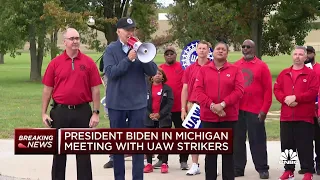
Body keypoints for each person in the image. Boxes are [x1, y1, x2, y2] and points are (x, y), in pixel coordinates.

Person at [41, 28, 102, 180]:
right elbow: (47, 90)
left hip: (82, 112)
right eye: (72, 38)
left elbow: (95, 90)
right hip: (60, 112)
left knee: (83, 155)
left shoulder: (88, 63)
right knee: (59, 154)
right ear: (65, 42)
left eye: (77, 38)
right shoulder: (55, 63)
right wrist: (43, 113)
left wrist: (95, 112)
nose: (75, 41)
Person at [103, 17, 157, 180]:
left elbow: (153, 71)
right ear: (119, 31)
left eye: (132, 30)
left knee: (137, 146)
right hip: (117, 104)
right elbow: (111, 73)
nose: (130, 33)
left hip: (137, 105)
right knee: (118, 145)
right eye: (127, 30)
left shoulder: (139, 48)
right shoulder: (111, 50)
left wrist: (142, 53)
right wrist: (129, 59)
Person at [194, 41, 244, 180]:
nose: (220, 51)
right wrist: (212, 106)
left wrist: (222, 105)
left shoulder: (235, 70)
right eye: (218, 49)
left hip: (229, 118)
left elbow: (239, 91)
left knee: (228, 154)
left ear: (227, 53)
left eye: (223, 49)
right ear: (213, 52)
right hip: (208, 118)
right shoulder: (203, 70)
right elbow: (198, 91)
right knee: (210, 154)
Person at [274, 46, 318, 180]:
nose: (297, 57)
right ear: (292, 56)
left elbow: (313, 92)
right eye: (295, 54)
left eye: (300, 54)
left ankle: (308, 171)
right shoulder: (284, 73)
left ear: (305, 57)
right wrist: (285, 99)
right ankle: (289, 170)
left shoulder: (311, 74)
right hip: (286, 116)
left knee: (305, 145)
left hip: (304, 116)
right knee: (287, 145)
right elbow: (277, 89)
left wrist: (296, 98)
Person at [233, 40, 271, 179]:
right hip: (238, 110)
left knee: (258, 140)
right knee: (237, 140)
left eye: (248, 47)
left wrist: (264, 110)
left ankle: (262, 168)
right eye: (243, 46)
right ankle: (237, 168)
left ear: (254, 49)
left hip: (255, 110)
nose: (245, 49)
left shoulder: (262, 66)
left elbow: (268, 90)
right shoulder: (236, 65)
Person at [181, 40, 216, 175]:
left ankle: (212, 165)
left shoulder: (213, 66)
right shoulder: (190, 68)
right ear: (196, 50)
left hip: (209, 106)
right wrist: (183, 108)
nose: (201, 50)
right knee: (193, 137)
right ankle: (195, 164)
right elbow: (185, 89)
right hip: (193, 106)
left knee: (210, 137)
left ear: (208, 51)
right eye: (199, 48)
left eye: (204, 48)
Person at [158, 46, 189, 170]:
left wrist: (185, 106)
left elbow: (186, 87)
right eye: (167, 54)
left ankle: (183, 160)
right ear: (164, 56)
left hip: (179, 108)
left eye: (171, 53)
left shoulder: (182, 68)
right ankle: (162, 159)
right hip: (165, 109)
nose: (169, 56)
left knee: (182, 135)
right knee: (164, 136)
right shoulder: (160, 69)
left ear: (176, 55)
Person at [143, 68, 174, 174]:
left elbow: (169, 104)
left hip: (163, 119)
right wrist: (149, 114)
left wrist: (159, 114)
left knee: (164, 142)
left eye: (160, 74)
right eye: (155, 74)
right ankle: (149, 164)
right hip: (149, 118)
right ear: (151, 77)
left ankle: (164, 163)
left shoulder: (167, 89)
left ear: (163, 77)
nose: (157, 75)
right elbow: (141, 102)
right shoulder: (146, 89)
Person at [299, 46, 320, 175]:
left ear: (314, 54)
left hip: (317, 109)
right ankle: (306, 165)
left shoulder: (318, 68)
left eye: (310, 53)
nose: (307, 55)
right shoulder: (300, 69)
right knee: (304, 140)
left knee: (318, 139)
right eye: (305, 53)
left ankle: (319, 164)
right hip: (305, 110)